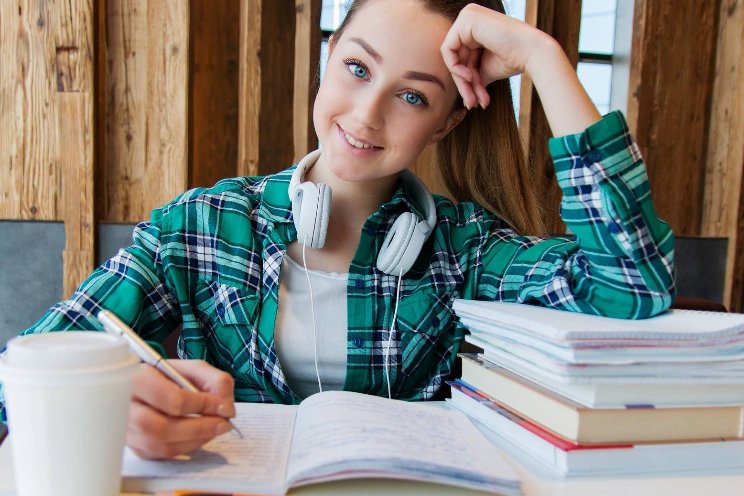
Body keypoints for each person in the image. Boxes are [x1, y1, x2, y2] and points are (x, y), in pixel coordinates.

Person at [0, 0, 675, 459]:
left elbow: (632, 284)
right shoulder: (203, 227)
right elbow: (21, 374)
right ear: (328, 57)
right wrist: (105, 402)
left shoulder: (467, 251)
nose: (367, 113)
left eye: (413, 95)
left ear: (445, 121)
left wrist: (542, 58)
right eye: (356, 68)